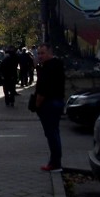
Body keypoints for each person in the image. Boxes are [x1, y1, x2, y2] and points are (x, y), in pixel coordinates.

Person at [34, 42, 65, 172]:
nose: (40, 56)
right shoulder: (57, 64)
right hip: (57, 101)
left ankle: (55, 163)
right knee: (54, 133)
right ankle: (55, 161)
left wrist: (37, 104)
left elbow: (43, 89)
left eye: (43, 53)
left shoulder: (47, 68)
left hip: (49, 103)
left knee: (51, 133)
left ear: (49, 53)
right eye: (39, 53)